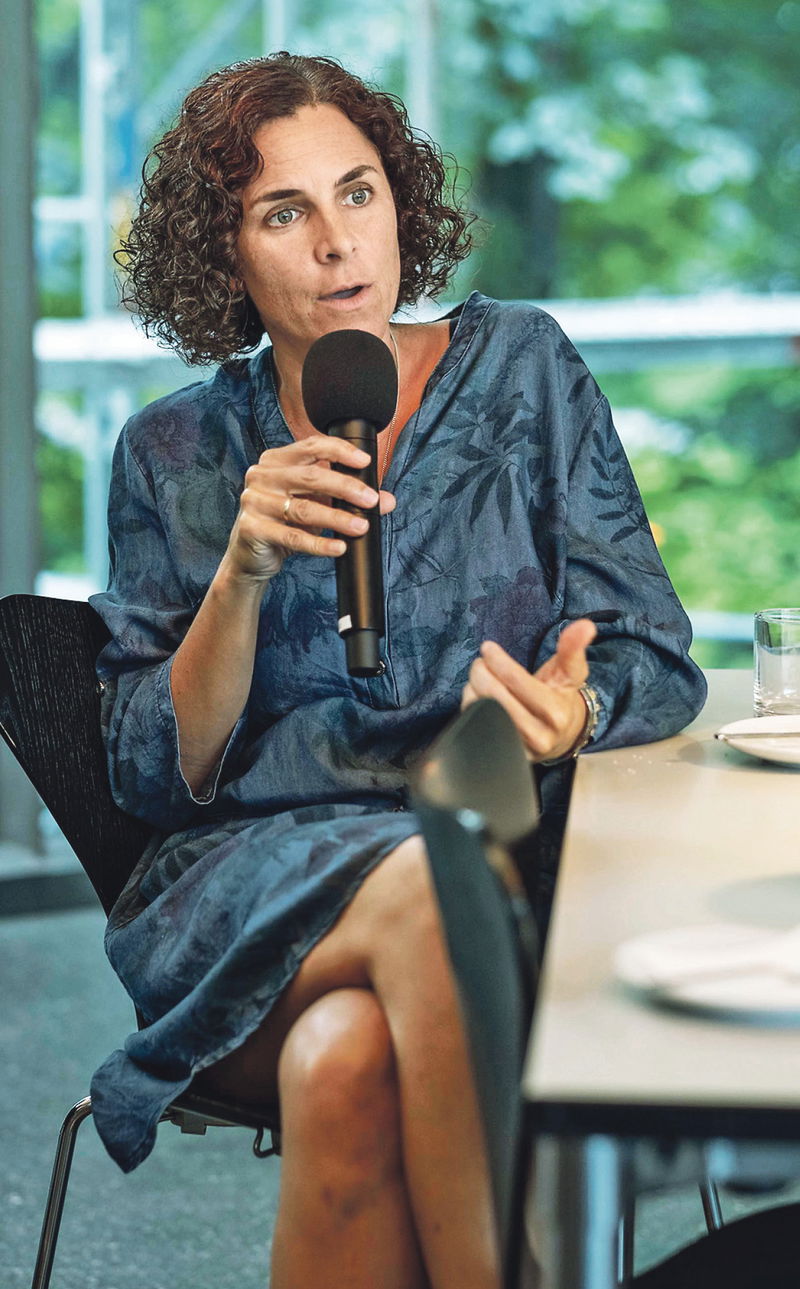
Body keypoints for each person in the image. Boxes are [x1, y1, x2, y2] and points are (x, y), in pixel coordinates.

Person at [90, 52, 707, 1289]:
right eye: (283, 213)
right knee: (430, 887)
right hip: (254, 882)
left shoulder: (523, 368)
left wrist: (572, 707)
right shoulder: (173, 449)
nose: (336, 243)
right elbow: (152, 769)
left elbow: (650, 648)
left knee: (342, 1060)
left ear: (399, 202)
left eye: (357, 192)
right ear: (224, 256)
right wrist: (241, 572)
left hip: (504, 851)